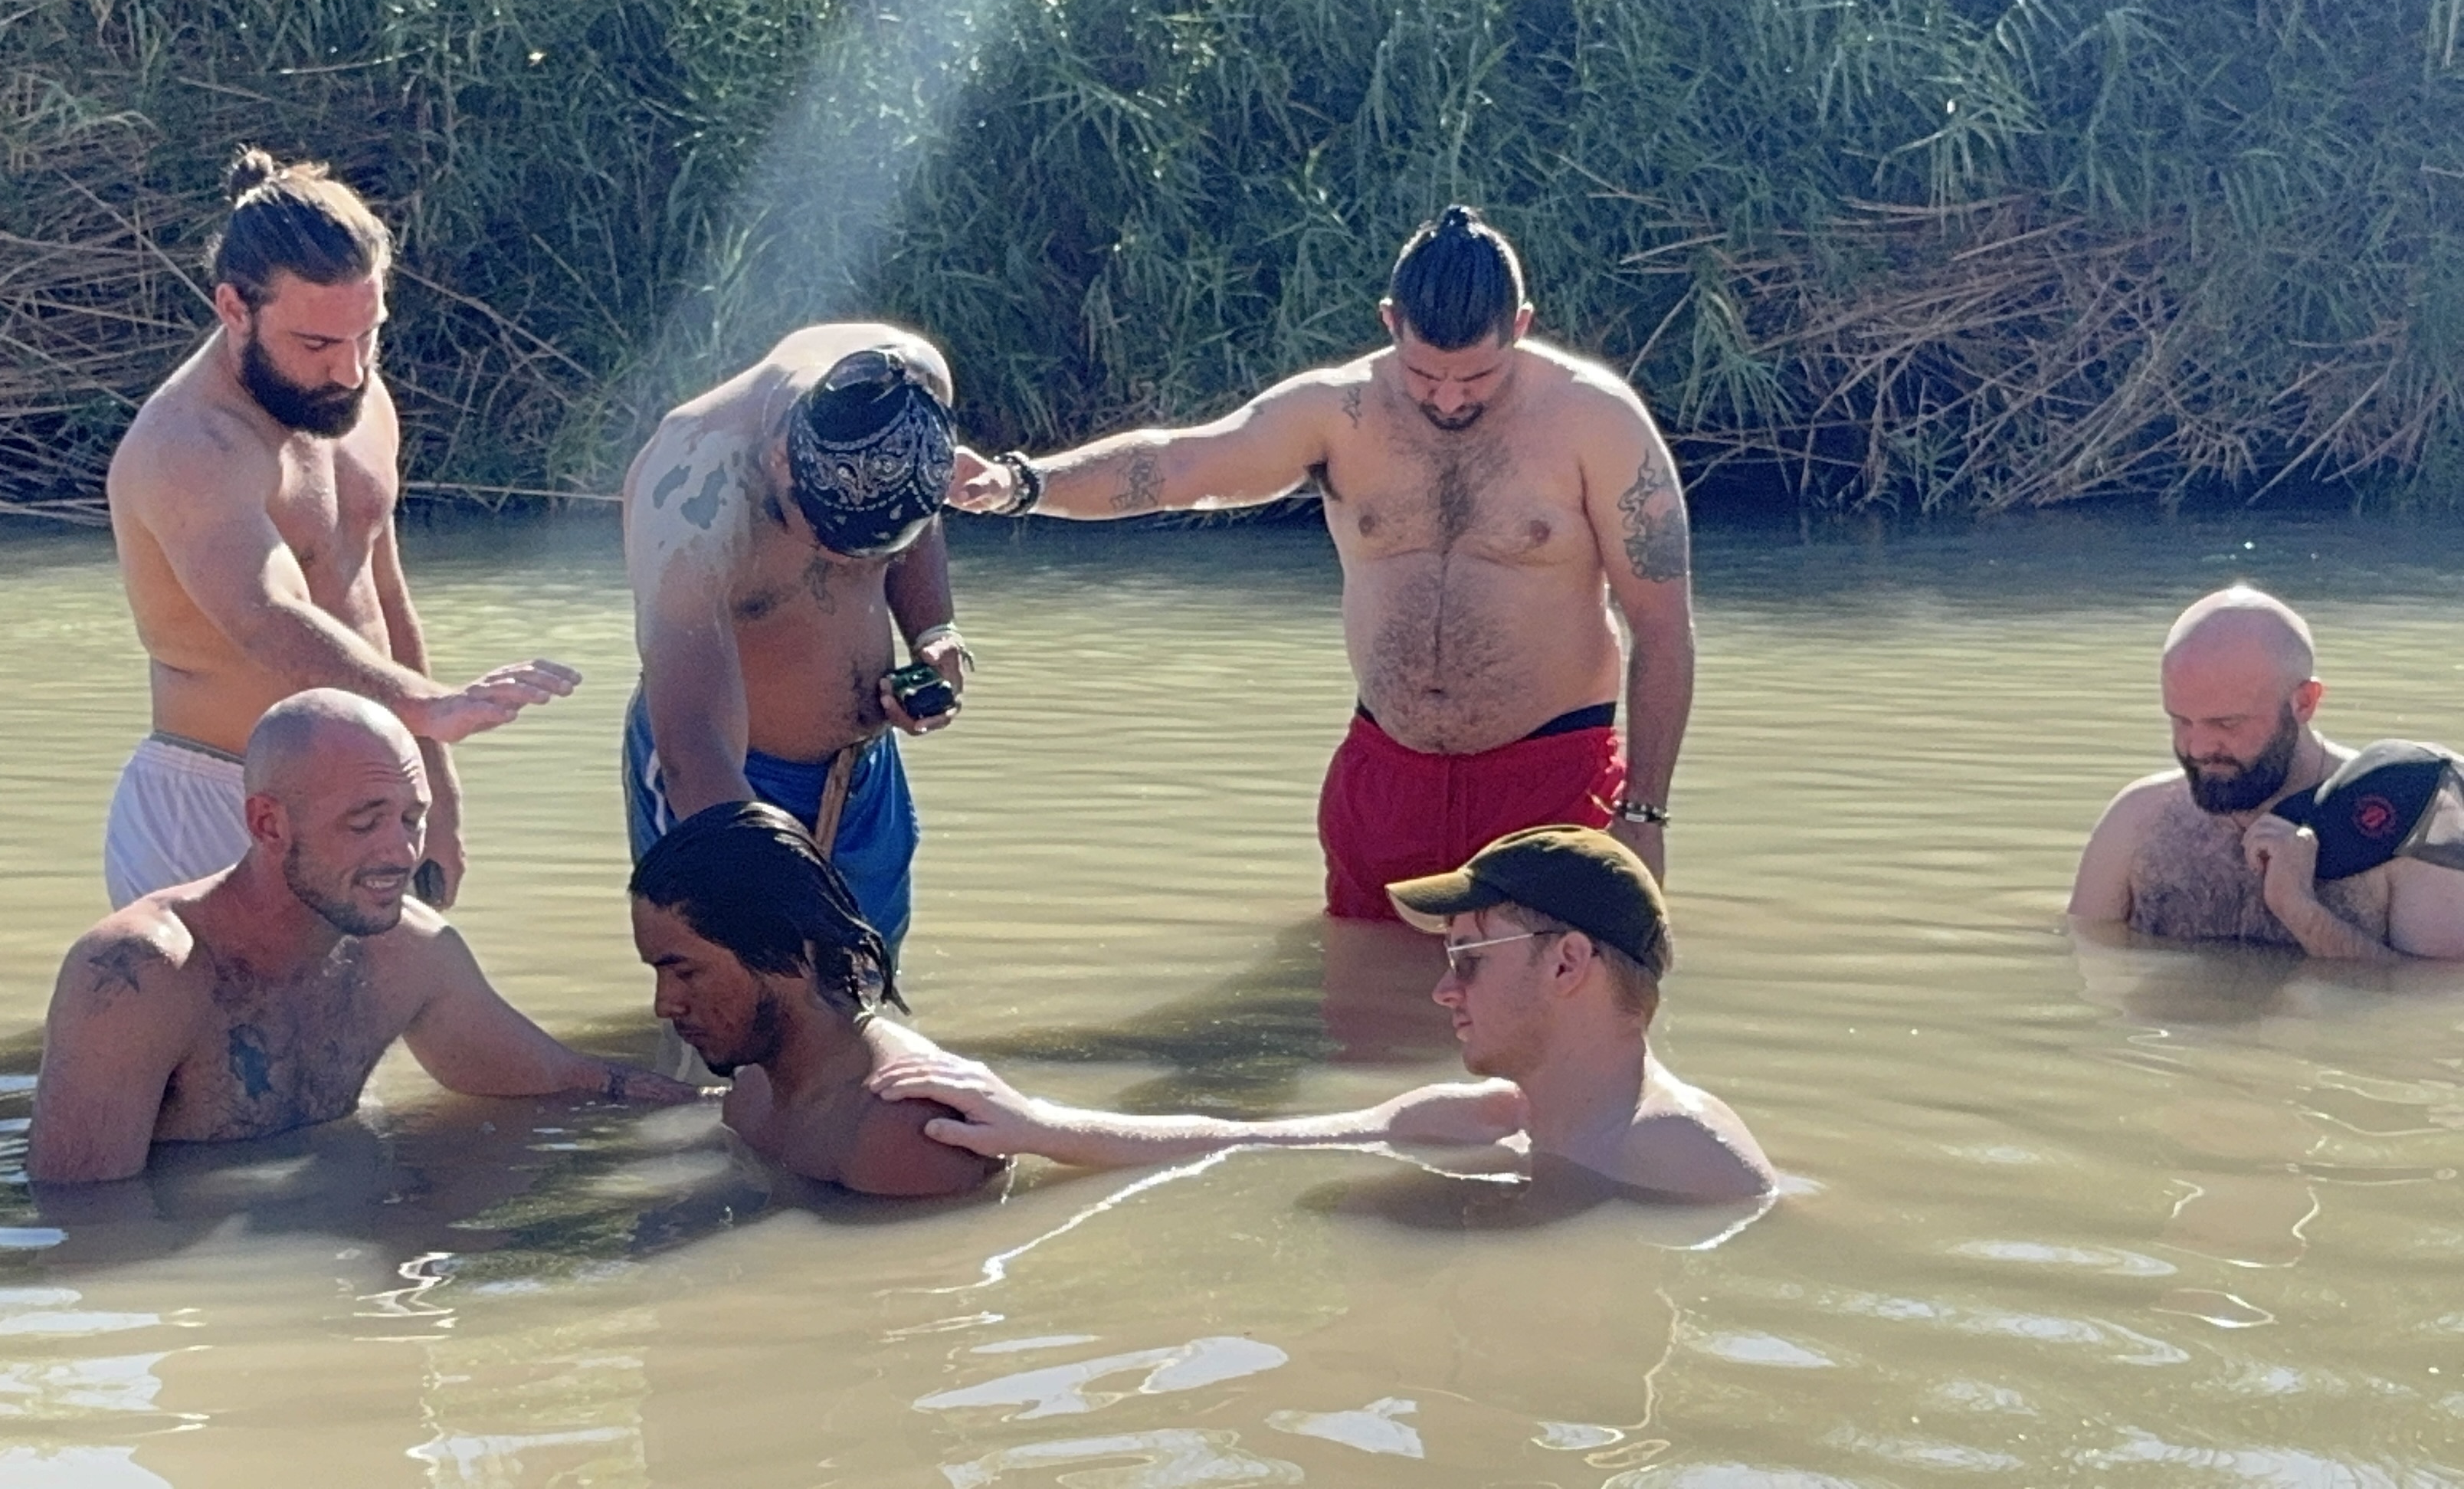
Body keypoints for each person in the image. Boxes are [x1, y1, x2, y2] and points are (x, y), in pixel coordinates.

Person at [946, 208, 1692, 907]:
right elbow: (1180, 466)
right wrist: (1021, 484)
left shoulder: (1596, 421)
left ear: (1520, 327)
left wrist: (1644, 813)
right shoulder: (1338, 411)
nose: (1449, 398)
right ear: (1390, 322)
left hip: (1552, 783)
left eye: (1477, 376)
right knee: (1358, 997)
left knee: (1550, 998)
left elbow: (1661, 629)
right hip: (1385, 782)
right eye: (1424, 374)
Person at [102, 148, 580, 910]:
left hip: (372, 791)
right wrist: (426, 706)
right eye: (318, 345)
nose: (351, 371)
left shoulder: (358, 402)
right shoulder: (190, 445)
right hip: (221, 799)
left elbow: (382, 596)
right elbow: (266, 617)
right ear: (234, 308)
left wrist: (435, 792)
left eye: (368, 335)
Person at [870, 826, 1771, 1207]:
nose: (1443, 988)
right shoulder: (1483, 1118)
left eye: (1468, 954)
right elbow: (1240, 1140)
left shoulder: (1685, 1155)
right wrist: (1036, 1122)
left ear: (1568, 962)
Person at [30, 690, 690, 1186]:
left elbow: (559, 1081)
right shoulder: (139, 973)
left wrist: (714, 1109)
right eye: (364, 822)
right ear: (268, 825)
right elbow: (83, 1219)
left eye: (411, 819)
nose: (400, 853)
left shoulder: (411, 952)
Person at [622, 325, 972, 946]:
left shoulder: (911, 389)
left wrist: (933, 632)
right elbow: (693, 747)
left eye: (871, 552)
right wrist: (780, 895)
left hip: (863, 774)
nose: (847, 562)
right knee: (742, 978)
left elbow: (920, 513)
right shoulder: (686, 490)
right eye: (827, 536)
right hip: (727, 779)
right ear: (779, 455)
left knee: (866, 975)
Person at [630, 800, 1003, 1198]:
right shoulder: (752, 1095)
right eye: (659, 974)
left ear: (787, 947)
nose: (665, 1005)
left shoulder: (901, 1129)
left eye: (686, 973)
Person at [2071, 586, 2464, 961]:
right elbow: (2079, 958)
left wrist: (2299, 909)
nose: (2198, 748)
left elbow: (2434, 994)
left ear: (2304, 703)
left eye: (2227, 724)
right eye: (2181, 721)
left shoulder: (2415, 820)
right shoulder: (2137, 819)